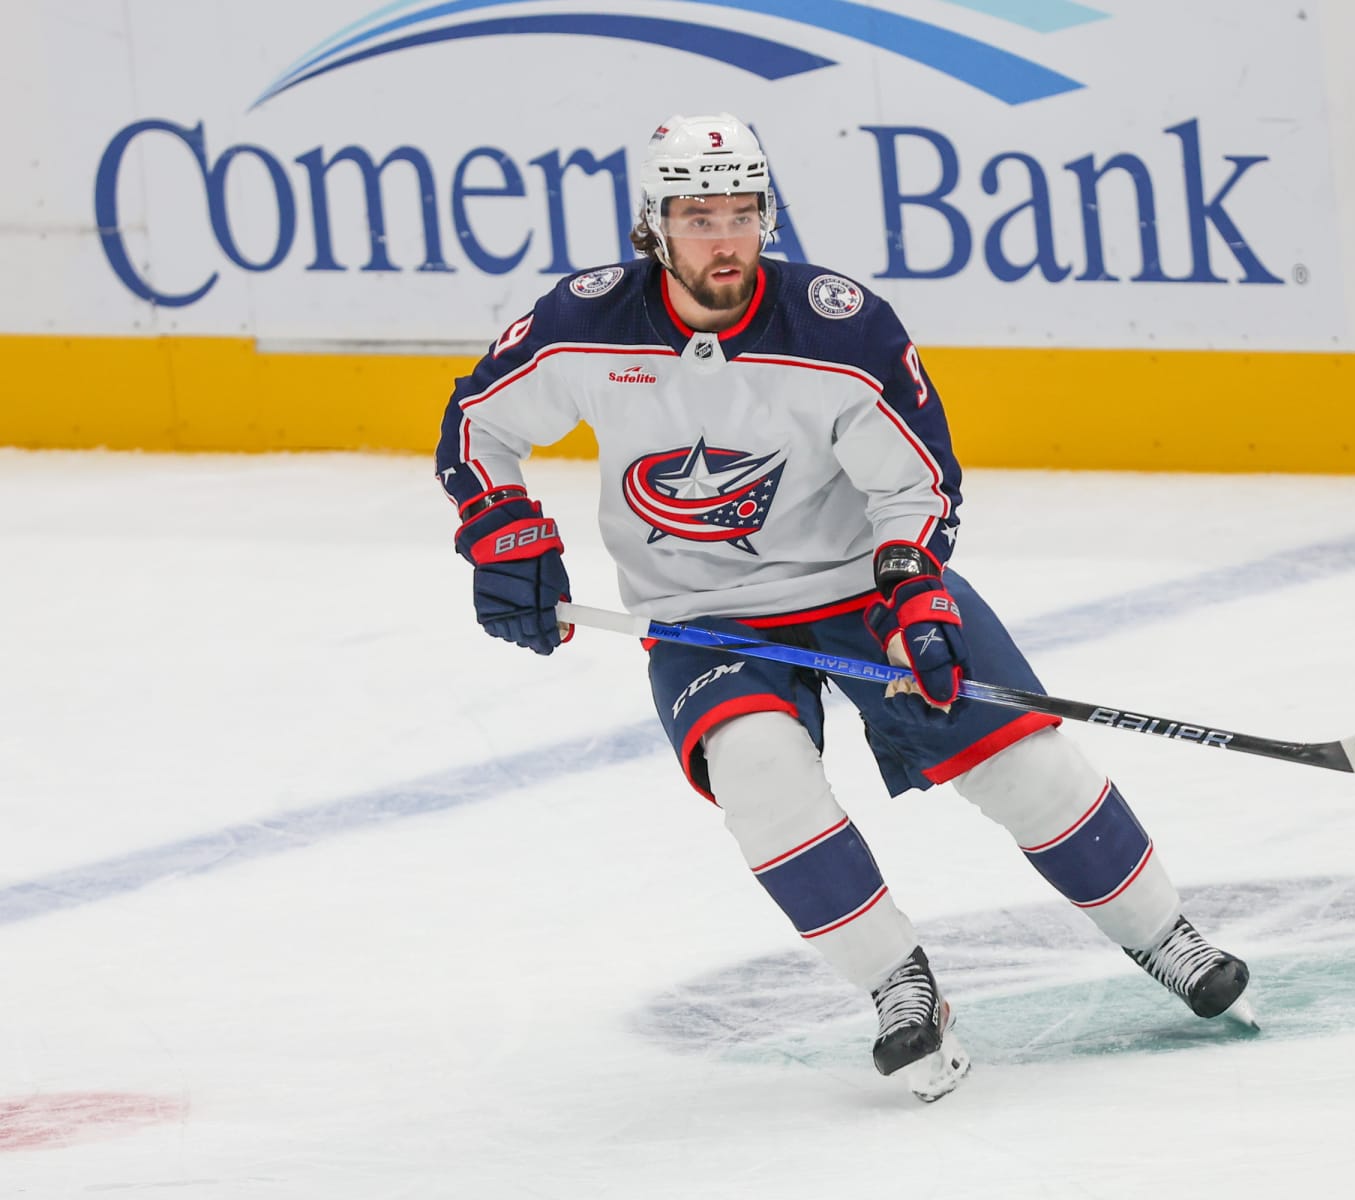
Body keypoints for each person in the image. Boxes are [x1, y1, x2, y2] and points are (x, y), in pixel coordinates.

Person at [433, 113, 1252, 1102]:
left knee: (1021, 761)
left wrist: (914, 593)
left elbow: (917, 482)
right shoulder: (585, 324)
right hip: (705, 618)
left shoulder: (837, 323)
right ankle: (898, 986)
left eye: (743, 211)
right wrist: (504, 533)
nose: (727, 239)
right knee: (760, 771)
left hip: (861, 587)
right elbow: (478, 425)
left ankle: (1164, 936)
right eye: (699, 216)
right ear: (654, 225)